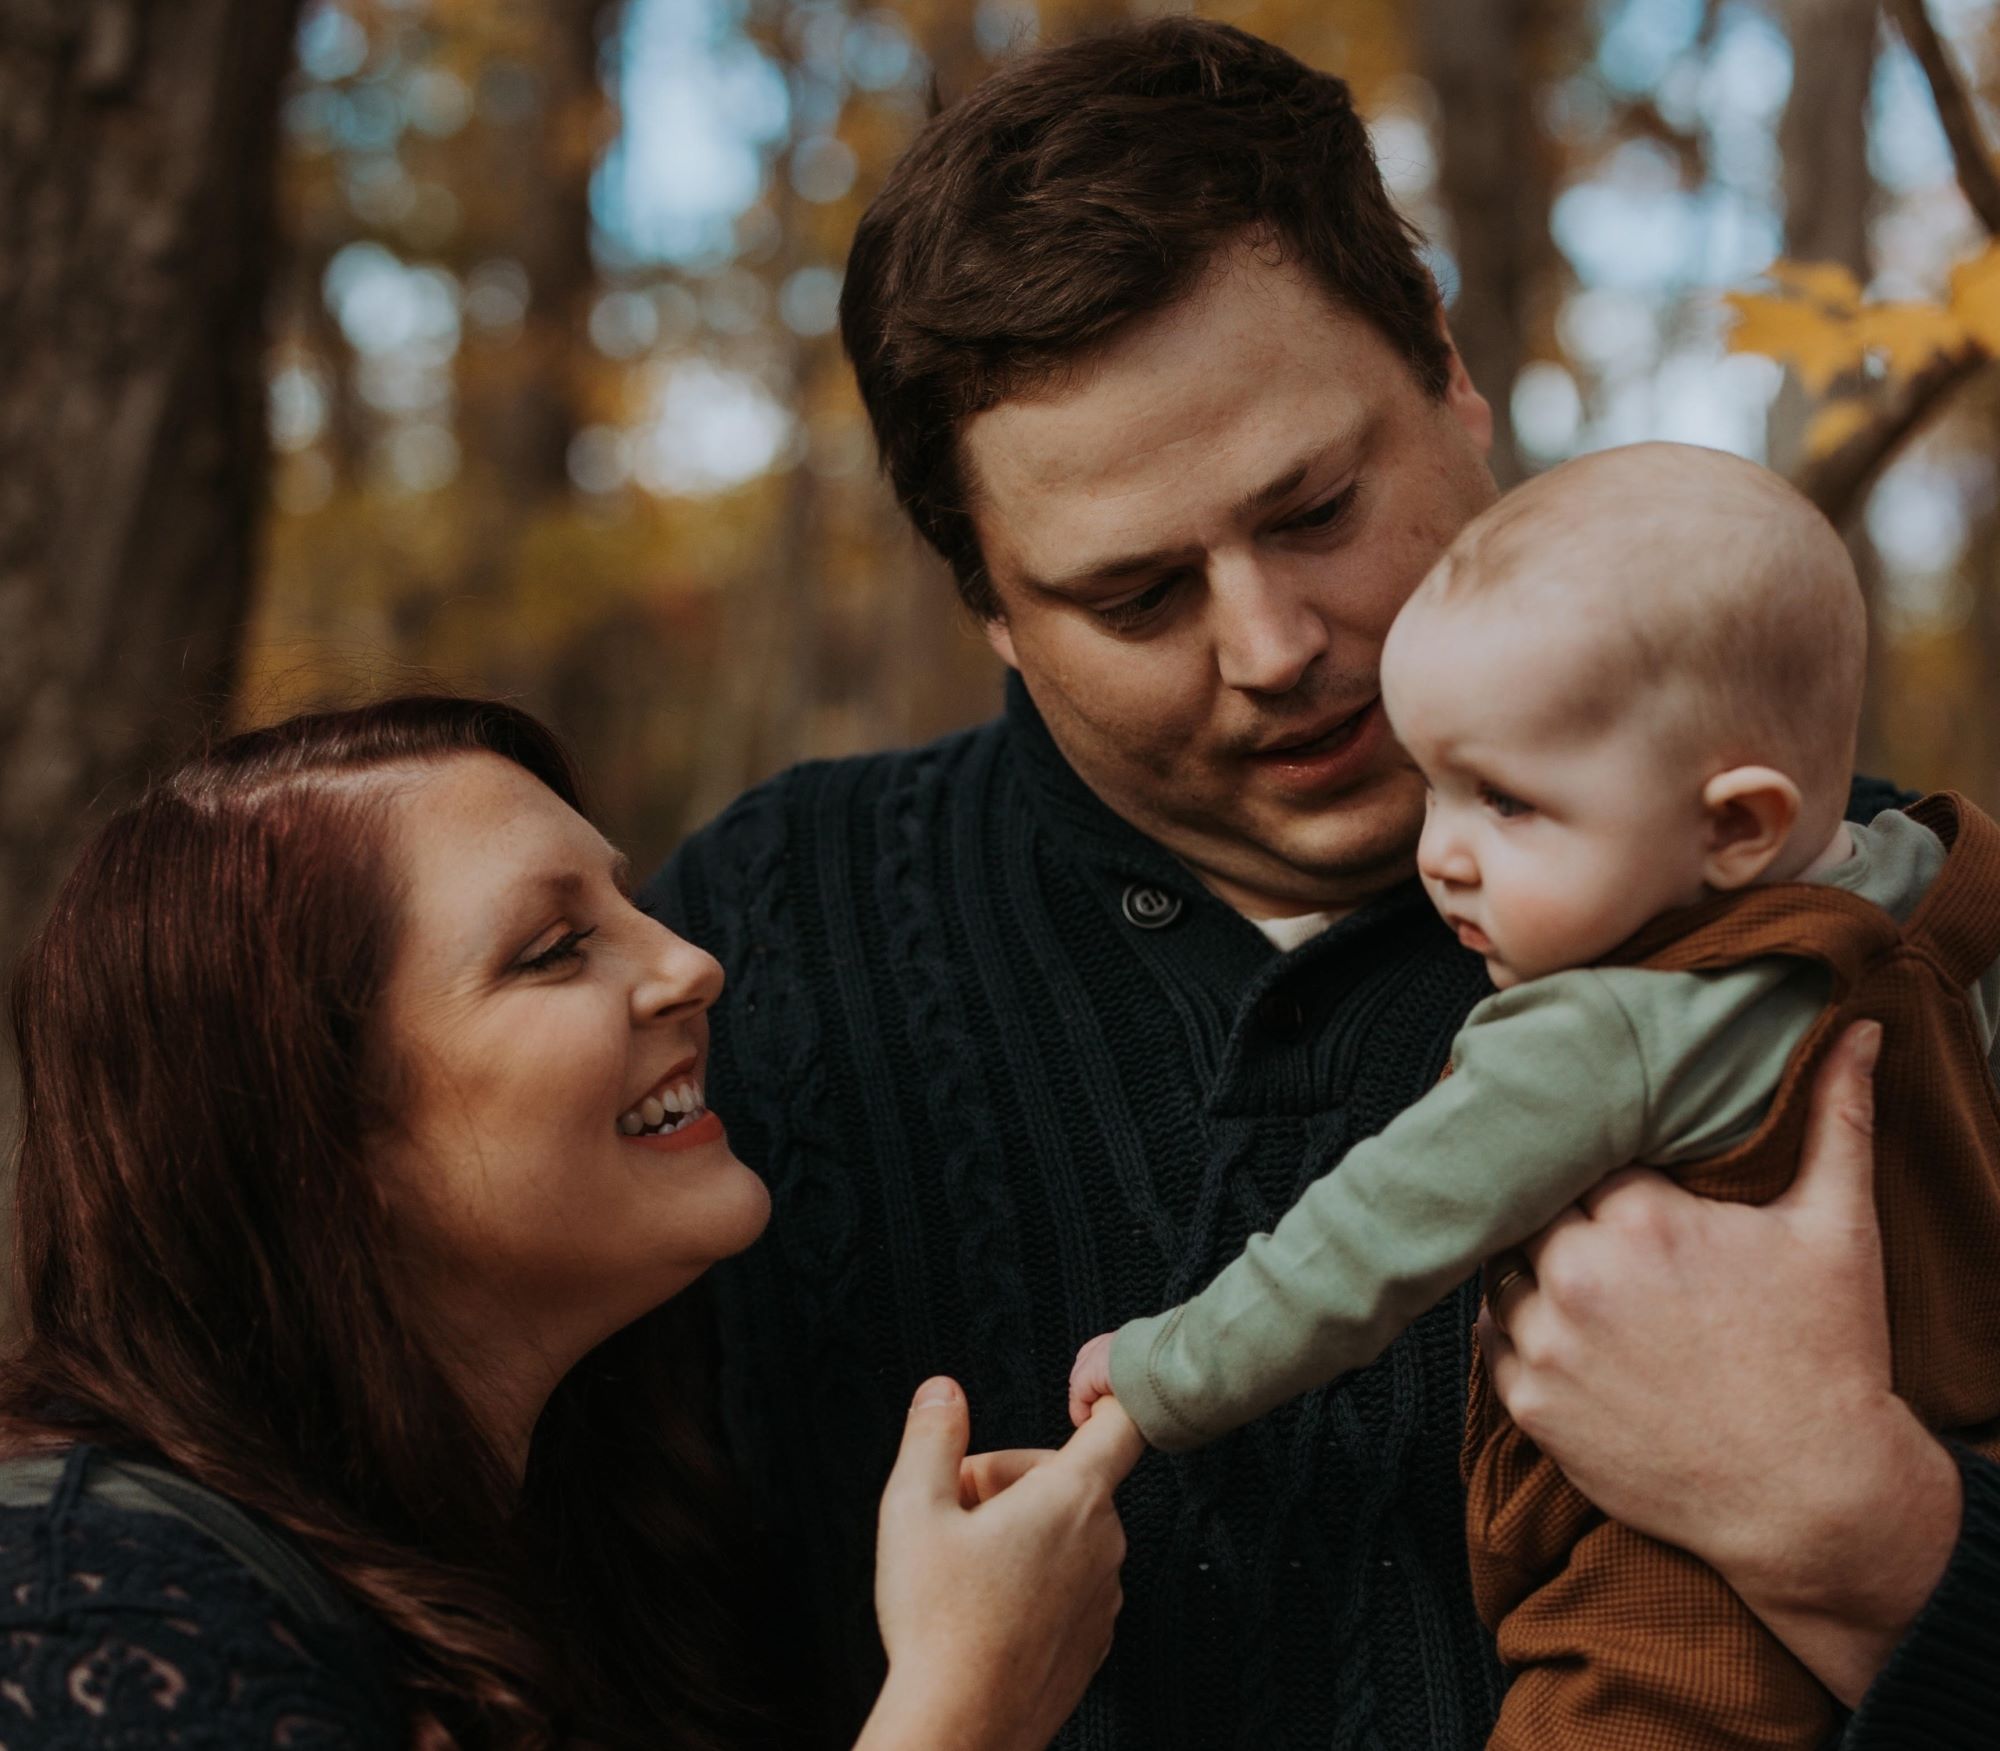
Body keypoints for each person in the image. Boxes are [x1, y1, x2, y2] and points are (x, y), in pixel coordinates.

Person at [644, 19, 2000, 1750]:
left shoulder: (1859, 931)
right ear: (986, 601)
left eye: (1316, 506)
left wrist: (1860, 1527)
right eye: (1136, 597)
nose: (1275, 647)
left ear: (1447, 369)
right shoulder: (759, 936)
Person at [1067, 442, 2000, 1748]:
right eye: (1436, 780)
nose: (1440, 850)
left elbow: (1366, 1242)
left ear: (1737, 825)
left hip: (1681, 1598)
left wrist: (1162, 1370)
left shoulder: (1602, 1029)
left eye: (1507, 801)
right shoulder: (1937, 900)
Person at [0, 696, 1142, 1750]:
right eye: (552, 950)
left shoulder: (572, 1550)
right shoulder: (94, 1610)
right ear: (311, 1137)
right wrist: (965, 1702)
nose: (690, 963)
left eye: (627, 903)